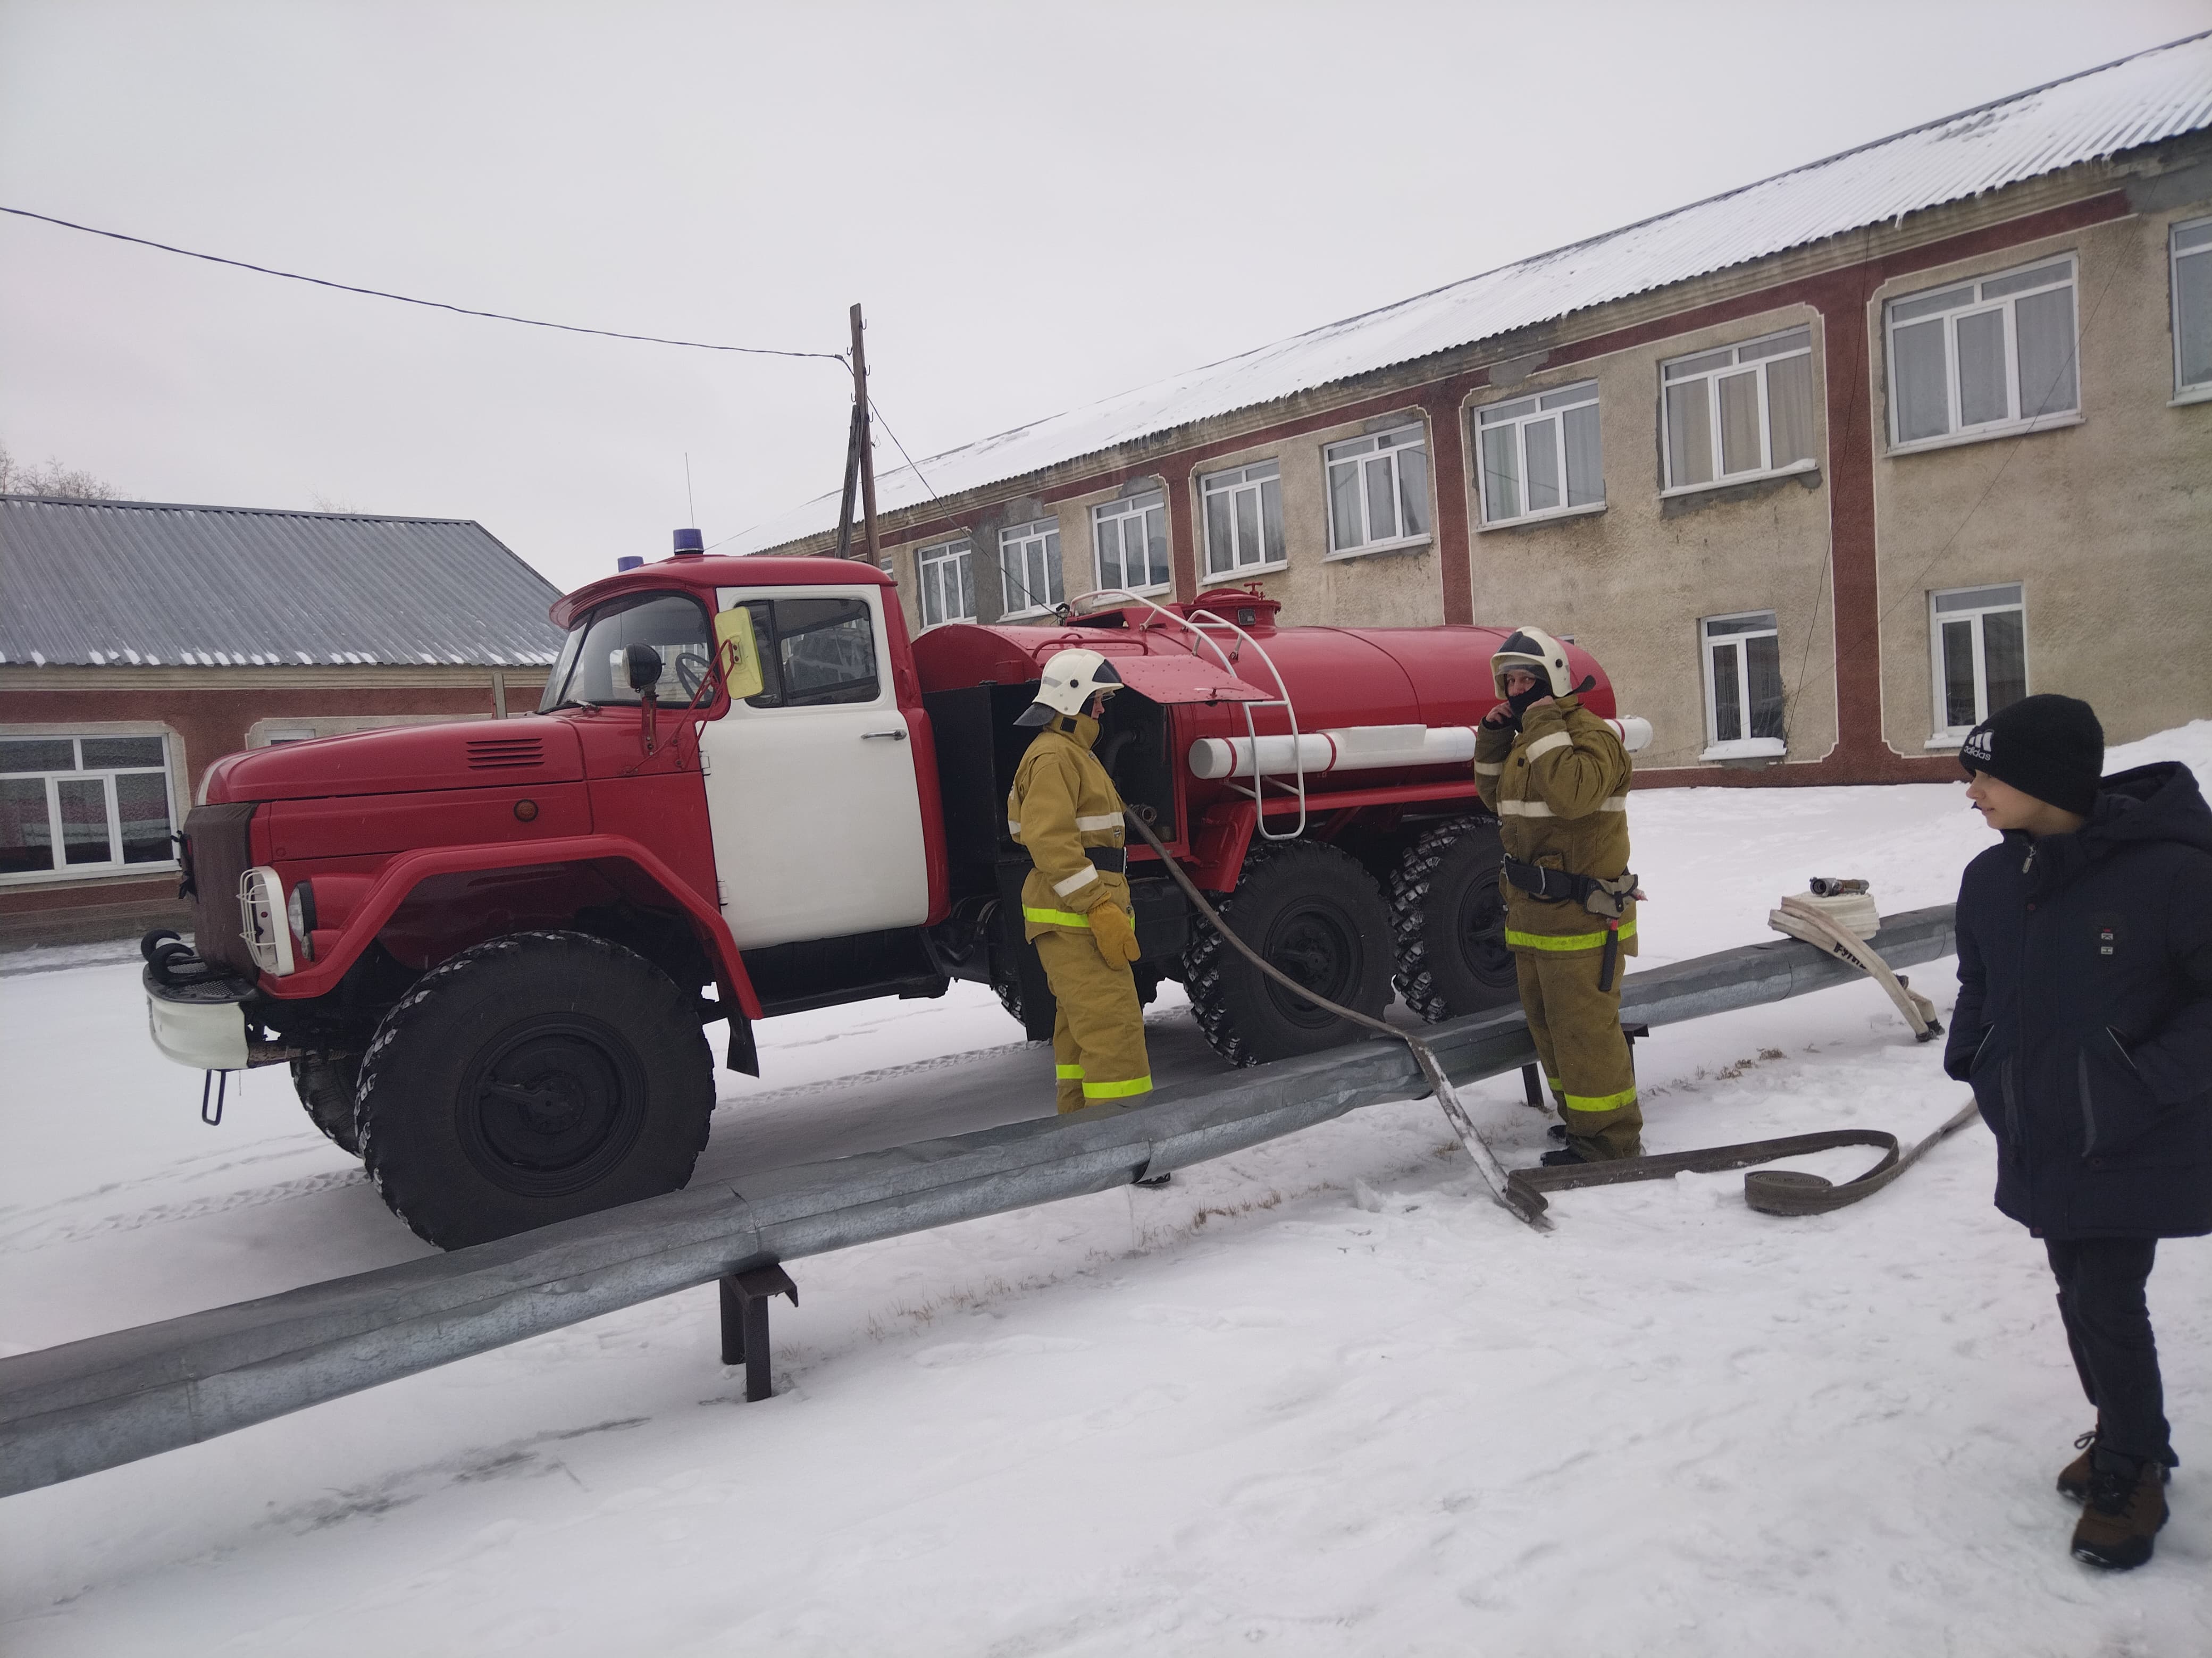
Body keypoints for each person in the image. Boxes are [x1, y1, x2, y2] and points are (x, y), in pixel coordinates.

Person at [1943, 693, 2212, 1571]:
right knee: (2077, 1288)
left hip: (2130, 1132)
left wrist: (2132, 1081)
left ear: (2047, 780)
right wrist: (1973, 1051)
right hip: (2038, 1127)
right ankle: (2123, 1430)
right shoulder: (1992, 877)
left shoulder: (2172, 873)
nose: (1972, 789)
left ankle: (2134, 1465)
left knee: (2105, 1293)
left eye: (1984, 771)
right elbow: (1977, 978)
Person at [1472, 627, 1641, 1166]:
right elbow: (1492, 797)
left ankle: (1609, 1141)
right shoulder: (1531, 740)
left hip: (1582, 922)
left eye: (1527, 679)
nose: (1516, 688)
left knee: (1584, 1034)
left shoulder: (1590, 737)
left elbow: (1570, 796)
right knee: (1550, 1032)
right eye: (1510, 680)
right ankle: (1581, 1126)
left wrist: (1540, 722)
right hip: (1534, 918)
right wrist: (1495, 738)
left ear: (1552, 681)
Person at [1007, 647, 1153, 1117]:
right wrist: (1098, 907)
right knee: (1114, 1028)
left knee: (1078, 1033)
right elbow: (1050, 841)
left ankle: (1081, 1132)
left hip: (1075, 920)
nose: (1103, 709)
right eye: (1098, 699)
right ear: (1074, 701)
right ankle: (1129, 1142)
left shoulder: (1070, 753)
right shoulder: (1054, 757)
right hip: (1076, 921)